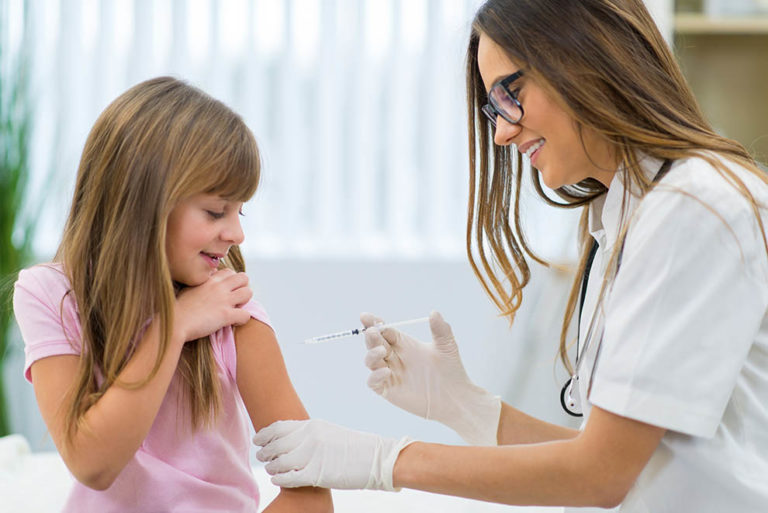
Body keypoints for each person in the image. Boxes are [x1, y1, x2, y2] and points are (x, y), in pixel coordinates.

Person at [251, 1, 768, 511]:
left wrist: (382, 460)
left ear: (586, 58)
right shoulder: (627, 215)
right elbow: (626, 464)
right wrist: (470, 410)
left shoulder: (695, 207)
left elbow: (601, 475)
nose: (501, 131)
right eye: (492, 108)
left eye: (510, 93)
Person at [12, 77, 332, 513]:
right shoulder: (50, 294)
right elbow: (92, 463)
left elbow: (310, 492)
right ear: (142, 201)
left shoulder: (234, 320)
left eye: (241, 211)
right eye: (216, 211)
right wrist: (174, 325)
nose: (237, 233)